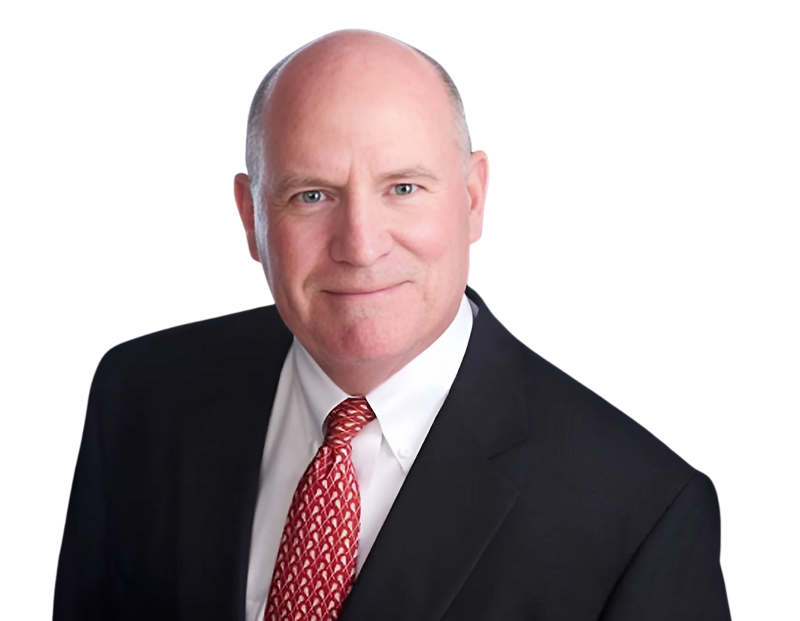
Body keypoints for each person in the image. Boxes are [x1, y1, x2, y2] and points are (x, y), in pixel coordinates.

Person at [51, 28, 731, 620]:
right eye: (311, 195)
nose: (361, 243)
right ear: (248, 217)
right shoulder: (137, 395)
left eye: (403, 188)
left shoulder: (644, 513)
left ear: (473, 199)